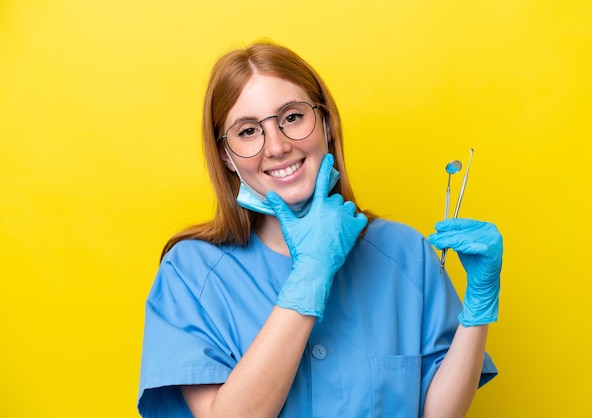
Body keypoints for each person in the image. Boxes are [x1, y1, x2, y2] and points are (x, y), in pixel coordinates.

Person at [138, 40, 502, 418]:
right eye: (247, 131)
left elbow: (438, 413)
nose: (276, 146)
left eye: (292, 117)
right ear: (227, 157)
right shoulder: (190, 274)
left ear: (326, 122)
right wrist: (311, 272)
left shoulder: (405, 252)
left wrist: (477, 312)